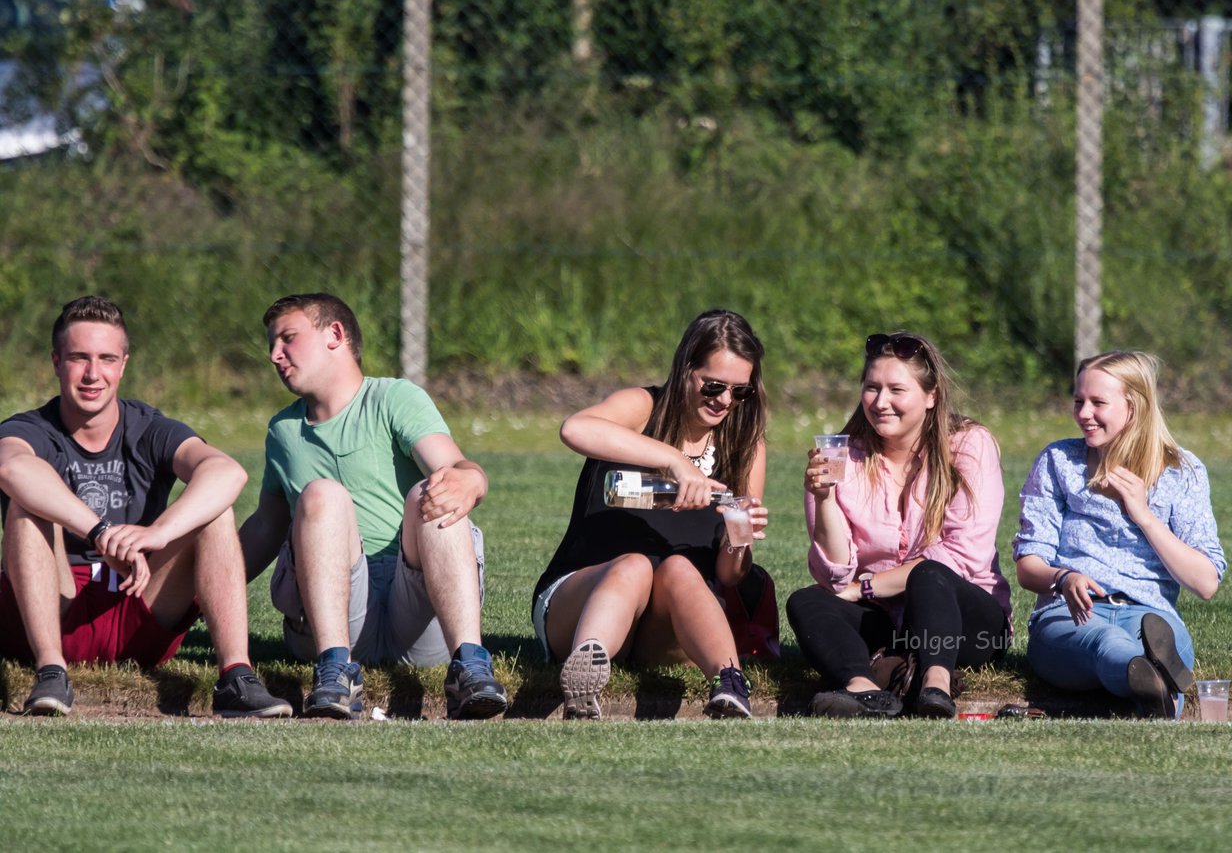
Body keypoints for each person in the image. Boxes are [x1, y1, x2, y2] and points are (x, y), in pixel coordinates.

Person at [0, 296, 291, 718]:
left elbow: (227, 472)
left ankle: (236, 677)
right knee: (27, 509)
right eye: (79, 358)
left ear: (124, 364)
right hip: (51, 606)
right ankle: (50, 671)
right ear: (56, 362)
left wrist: (158, 533)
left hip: (137, 600)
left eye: (106, 358)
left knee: (215, 512)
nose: (93, 374)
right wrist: (100, 532)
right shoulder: (29, 428)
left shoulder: (149, 427)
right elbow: (11, 468)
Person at [238, 293, 508, 720]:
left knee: (431, 492)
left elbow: (454, 468)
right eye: (272, 344)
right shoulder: (282, 431)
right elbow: (265, 528)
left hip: (417, 606)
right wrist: (199, 594)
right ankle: (334, 670)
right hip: (333, 606)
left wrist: (471, 479)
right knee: (322, 495)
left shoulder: (393, 398)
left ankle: (470, 665)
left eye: (288, 338)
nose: (275, 355)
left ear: (336, 335)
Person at [532, 309, 770, 720]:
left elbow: (730, 575)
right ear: (685, 370)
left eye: (740, 392)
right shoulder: (643, 408)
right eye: (713, 386)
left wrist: (738, 536)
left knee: (679, 568)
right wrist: (675, 461)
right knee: (635, 566)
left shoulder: (746, 443)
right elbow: (576, 429)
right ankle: (584, 676)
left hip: (670, 619)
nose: (725, 401)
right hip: (584, 598)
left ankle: (730, 682)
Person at [786, 333, 1010, 719]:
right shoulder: (840, 457)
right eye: (871, 388)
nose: (880, 401)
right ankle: (865, 691)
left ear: (931, 396)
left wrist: (865, 586)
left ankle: (935, 685)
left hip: (963, 627)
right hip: (886, 624)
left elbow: (963, 556)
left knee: (930, 574)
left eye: (896, 389)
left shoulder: (970, 444)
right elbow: (834, 575)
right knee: (805, 600)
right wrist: (823, 499)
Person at [1013, 351, 1225, 719]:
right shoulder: (1059, 461)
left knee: (1146, 639)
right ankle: (1155, 682)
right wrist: (1063, 577)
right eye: (1079, 401)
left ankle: (1152, 681)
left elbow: (1205, 582)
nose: (1083, 414)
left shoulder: (1181, 471)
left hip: (1151, 616)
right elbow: (1028, 567)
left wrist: (1142, 514)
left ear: (1135, 407)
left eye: (1098, 403)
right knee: (1106, 641)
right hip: (1071, 615)